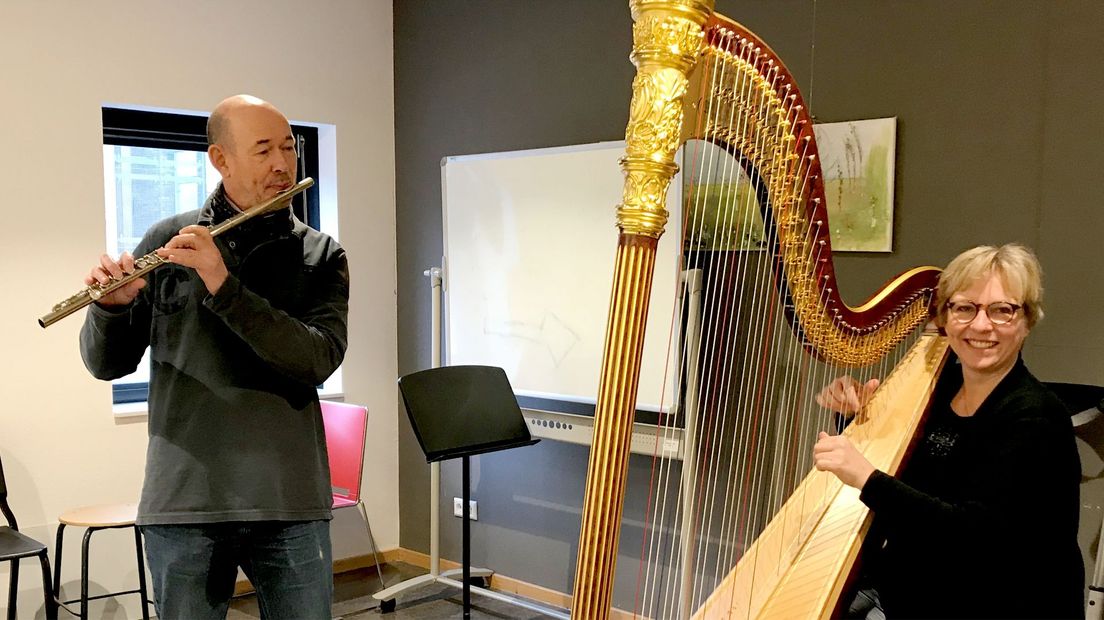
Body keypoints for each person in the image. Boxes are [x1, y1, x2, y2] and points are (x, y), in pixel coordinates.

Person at [79, 95, 348, 619]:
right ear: (220, 160)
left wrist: (223, 285)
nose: (281, 164)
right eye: (263, 150)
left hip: (288, 500)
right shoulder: (169, 241)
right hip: (184, 502)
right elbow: (107, 365)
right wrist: (109, 310)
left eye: (288, 149)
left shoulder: (320, 255)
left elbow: (317, 358)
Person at [812, 244, 1083, 619]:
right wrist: (857, 418)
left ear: (1027, 321)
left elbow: (973, 538)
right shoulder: (941, 388)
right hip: (919, 589)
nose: (981, 325)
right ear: (945, 316)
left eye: (1002, 310)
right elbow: (915, 477)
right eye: (965, 308)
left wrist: (865, 476)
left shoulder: (1035, 417)